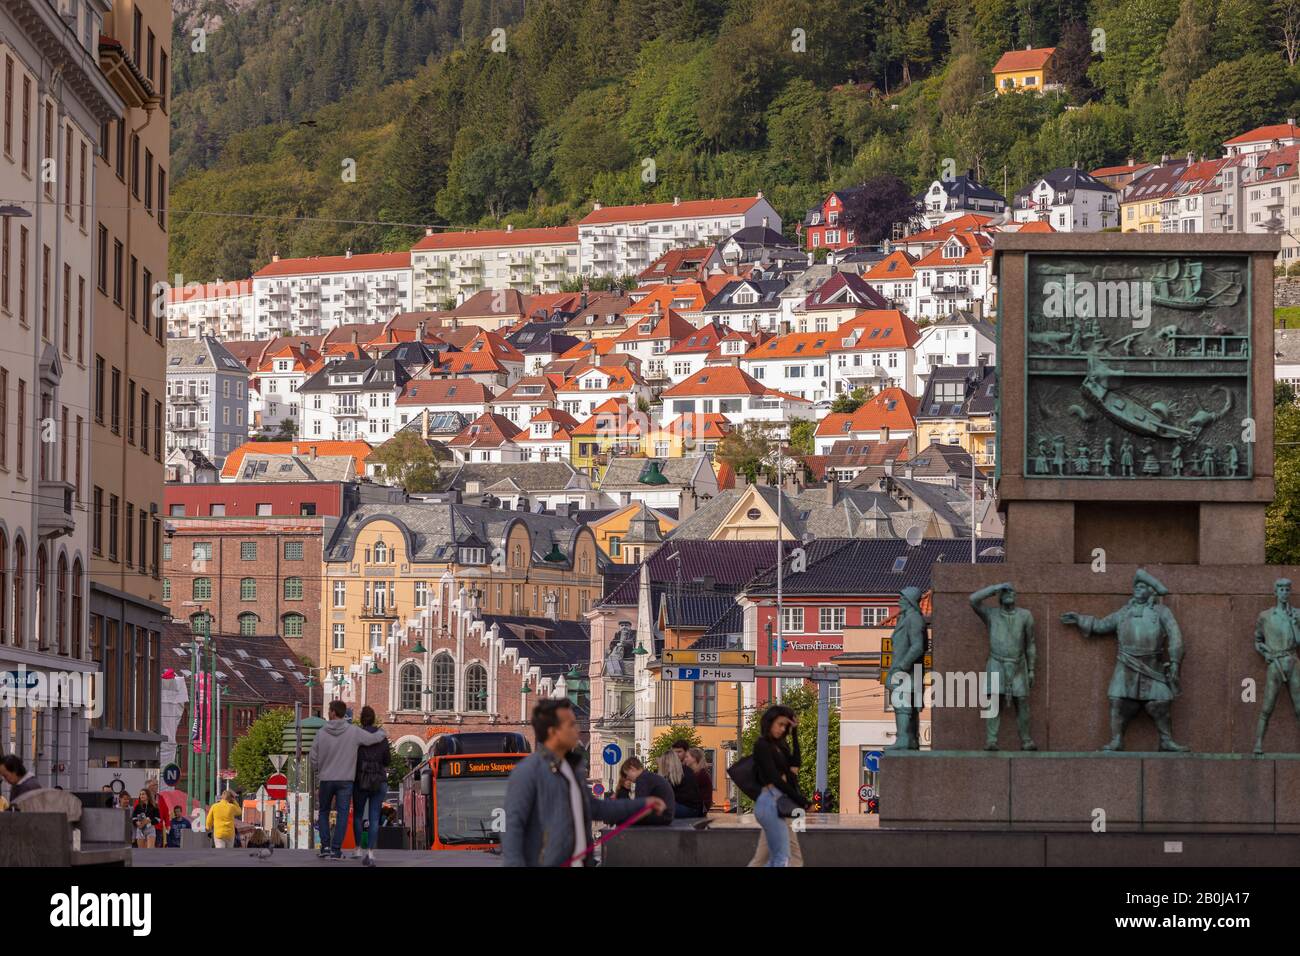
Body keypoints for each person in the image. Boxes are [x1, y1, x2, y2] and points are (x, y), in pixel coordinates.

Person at [503, 699, 664, 867]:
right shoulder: (528, 771)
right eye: (571, 725)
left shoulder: (572, 768)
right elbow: (513, 827)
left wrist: (643, 805)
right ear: (553, 732)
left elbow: (595, 808)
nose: (577, 730)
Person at [309, 700, 390, 860]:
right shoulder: (352, 731)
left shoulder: (321, 732)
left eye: (329, 711)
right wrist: (382, 733)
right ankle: (336, 849)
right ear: (343, 713)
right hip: (346, 780)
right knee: (343, 814)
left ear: (332, 712)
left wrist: (318, 770)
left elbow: (313, 757)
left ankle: (325, 847)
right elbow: (371, 739)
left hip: (326, 779)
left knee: (324, 812)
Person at [751, 705, 807, 867]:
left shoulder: (781, 746)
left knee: (762, 857)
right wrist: (803, 801)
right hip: (775, 802)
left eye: (786, 726)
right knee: (790, 854)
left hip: (781, 803)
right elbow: (776, 778)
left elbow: (795, 765)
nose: (783, 729)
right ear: (770, 722)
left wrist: (795, 733)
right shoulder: (764, 746)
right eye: (780, 724)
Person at [350, 705, 389, 865]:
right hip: (379, 779)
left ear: (361, 719)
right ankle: (371, 852)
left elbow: (352, 757)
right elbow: (387, 760)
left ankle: (358, 848)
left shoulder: (355, 736)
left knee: (358, 816)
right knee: (374, 818)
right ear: (373, 719)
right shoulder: (382, 737)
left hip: (360, 779)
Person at [619, 756, 674, 826]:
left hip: (661, 816)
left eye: (627, 774)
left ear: (632, 769)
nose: (627, 777)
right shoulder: (648, 776)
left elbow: (639, 805)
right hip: (666, 815)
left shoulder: (642, 780)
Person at [658, 749, 703, 819]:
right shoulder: (686, 771)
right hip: (694, 809)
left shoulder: (676, 775)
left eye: (664, 763)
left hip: (689, 809)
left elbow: (669, 796)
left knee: (657, 808)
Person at [684, 748, 713, 813]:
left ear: (694, 758)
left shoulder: (701, 774)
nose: (685, 759)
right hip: (697, 807)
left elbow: (689, 792)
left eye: (687, 757)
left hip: (700, 808)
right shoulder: (696, 773)